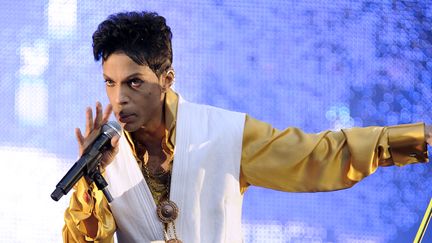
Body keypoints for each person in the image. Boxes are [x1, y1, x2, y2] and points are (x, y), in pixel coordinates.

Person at [62, 11, 431, 243]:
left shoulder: (223, 133)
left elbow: (318, 155)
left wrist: (412, 139)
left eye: (134, 82)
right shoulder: (104, 158)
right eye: (110, 83)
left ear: (166, 79)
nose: (119, 97)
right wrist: (90, 178)